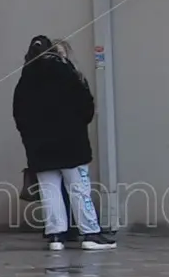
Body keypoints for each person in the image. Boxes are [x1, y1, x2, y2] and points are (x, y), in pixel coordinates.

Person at [12, 35, 116, 252]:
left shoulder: (26, 78)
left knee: (49, 191)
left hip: (39, 148)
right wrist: (76, 125)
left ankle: (56, 236)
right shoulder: (67, 72)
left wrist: (30, 137)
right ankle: (90, 233)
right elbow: (85, 105)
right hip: (71, 144)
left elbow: (19, 114)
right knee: (79, 189)